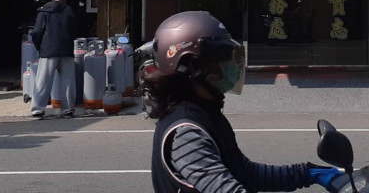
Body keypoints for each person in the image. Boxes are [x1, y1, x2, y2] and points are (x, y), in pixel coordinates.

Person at [139, 10, 342, 192]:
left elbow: (245, 174)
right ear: (192, 66)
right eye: (223, 56)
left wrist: (309, 173)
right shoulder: (187, 132)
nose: (232, 63)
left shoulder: (205, 114)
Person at [30, 0, 78, 119]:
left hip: (48, 50)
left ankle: (38, 110)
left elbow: (37, 32)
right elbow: (74, 30)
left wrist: (40, 46)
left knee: (43, 81)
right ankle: (68, 109)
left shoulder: (44, 10)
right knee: (68, 80)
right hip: (66, 50)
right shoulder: (68, 10)